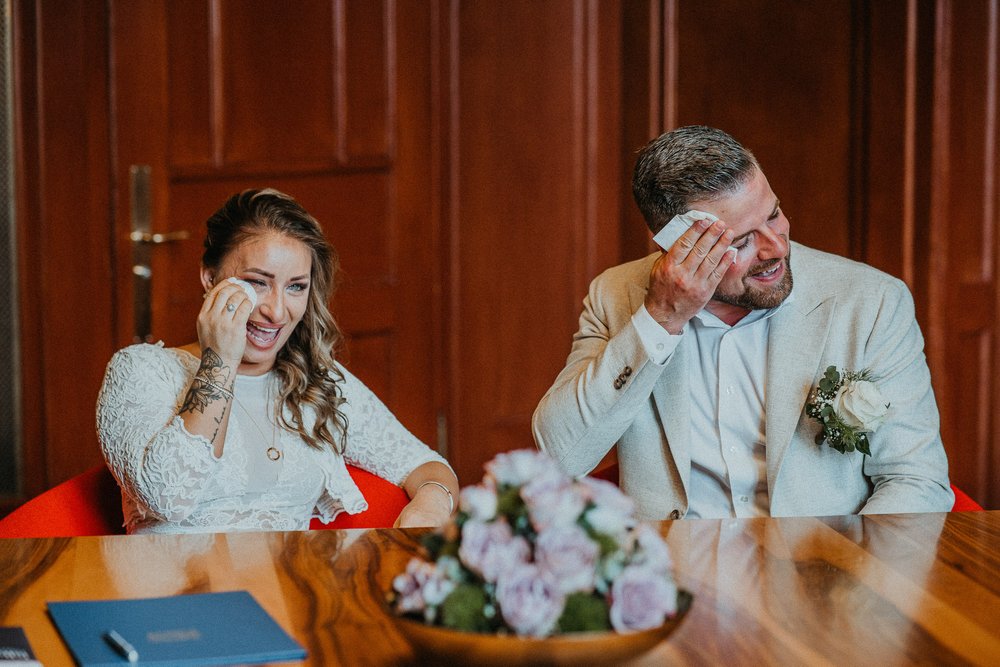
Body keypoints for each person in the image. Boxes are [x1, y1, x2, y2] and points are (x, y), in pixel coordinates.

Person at [532, 126, 953, 520]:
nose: (775, 248)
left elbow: (916, 481)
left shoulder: (871, 302)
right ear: (674, 247)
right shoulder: (615, 295)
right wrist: (661, 319)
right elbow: (560, 457)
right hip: (675, 581)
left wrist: (842, 580)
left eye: (773, 215)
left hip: (820, 576)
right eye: (739, 241)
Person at [97, 188, 458, 534]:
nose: (276, 311)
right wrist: (220, 360)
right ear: (210, 277)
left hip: (290, 590)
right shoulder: (141, 371)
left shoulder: (316, 381)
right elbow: (171, 498)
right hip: (176, 592)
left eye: (296, 286)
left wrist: (429, 506)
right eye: (257, 282)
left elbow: (424, 465)